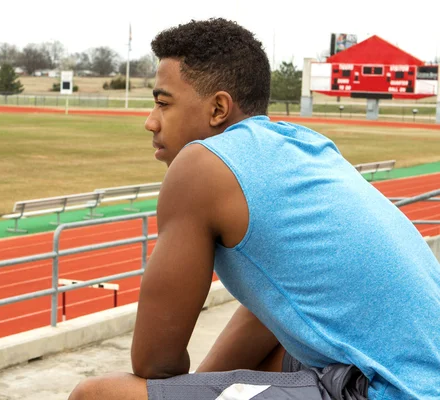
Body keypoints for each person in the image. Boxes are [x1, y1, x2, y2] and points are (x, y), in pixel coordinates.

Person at [69, 18, 440, 400]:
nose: (151, 121)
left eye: (163, 103)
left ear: (218, 109)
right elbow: (277, 306)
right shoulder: (306, 145)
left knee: (97, 395)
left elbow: (156, 364)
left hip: (395, 390)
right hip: (417, 377)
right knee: (280, 345)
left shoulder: (200, 165)